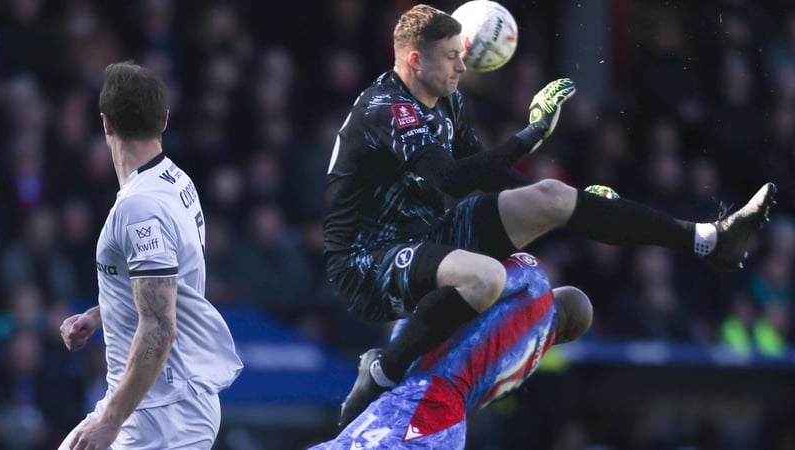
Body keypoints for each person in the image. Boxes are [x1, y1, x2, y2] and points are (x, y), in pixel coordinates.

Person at [323, 4, 777, 427]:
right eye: (450, 57)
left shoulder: (448, 101)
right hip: (367, 263)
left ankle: (709, 240)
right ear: (415, 62)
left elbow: (484, 173)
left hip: (426, 236)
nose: (462, 66)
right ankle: (383, 371)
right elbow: (451, 179)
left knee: (554, 196)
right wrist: (534, 133)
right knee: (485, 277)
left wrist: (569, 205)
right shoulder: (388, 107)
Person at [57, 61, 244, 450]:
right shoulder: (176, 181)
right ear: (164, 120)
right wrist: (101, 314)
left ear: (105, 122)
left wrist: (110, 421)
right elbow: (165, 287)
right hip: (145, 402)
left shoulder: (140, 206)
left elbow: (159, 327)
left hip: (164, 414)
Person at [309, 252, 593, 449]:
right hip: (450, 427)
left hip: (425, 398)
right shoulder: (531, 360)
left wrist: (392, 358)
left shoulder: (536, 280)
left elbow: (478, 279)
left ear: (557, 294)